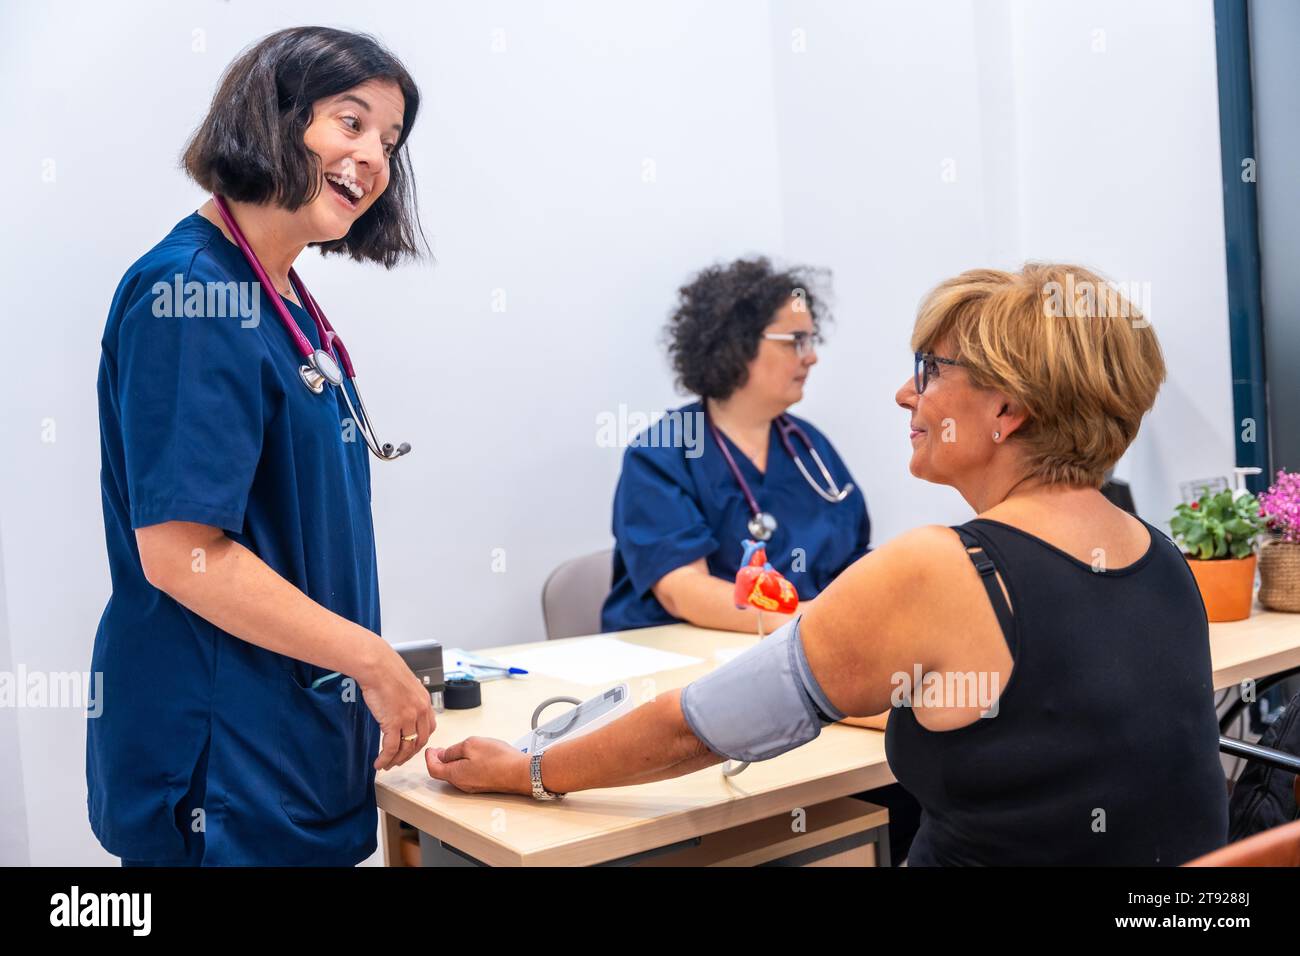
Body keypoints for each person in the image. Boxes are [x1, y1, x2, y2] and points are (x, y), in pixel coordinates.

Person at [427, 263, 1230, 866]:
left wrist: (529, 771)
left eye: (929, 372)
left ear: (1008, 410)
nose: (902, 397)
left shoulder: (941, 566)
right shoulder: (1158, 551)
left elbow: (695, 727)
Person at [89, 27, 435, 866]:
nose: (373, 158)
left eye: (389, 141)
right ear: (273, 115)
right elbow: (180, 554)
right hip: (222, 757)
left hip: (290, 732)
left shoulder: (281, 297)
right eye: (351, 123)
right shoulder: (192, 294)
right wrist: (372, 660)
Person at [601, 257, 871, 634]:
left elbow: (854, 564)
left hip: (804, 651)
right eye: (795, 341)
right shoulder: (662, 454)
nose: (811, 356)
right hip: (687, 659)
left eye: (811, 340)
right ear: (737, 345)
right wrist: (806, 625)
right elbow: (682, 590)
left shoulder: (811, 448)